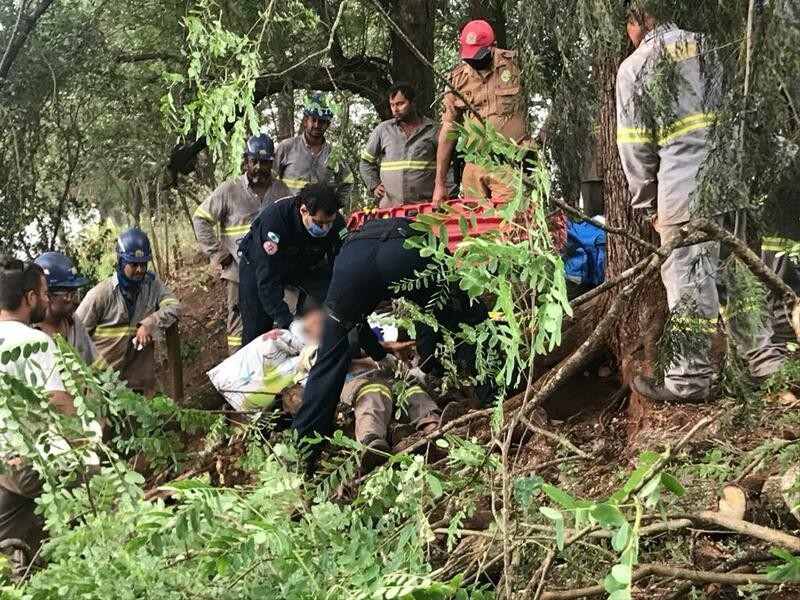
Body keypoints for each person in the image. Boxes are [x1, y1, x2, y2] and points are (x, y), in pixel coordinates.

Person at [616, 2, 788, 403]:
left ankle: (688, 382)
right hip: (730, 185)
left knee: (689, 288)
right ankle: (768, 366)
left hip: (682, 190)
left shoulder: (635, 67)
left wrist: (648, 204)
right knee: (740, 283)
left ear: (640, 19)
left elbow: (634, 147)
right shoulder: (710, 46)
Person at [291, 217, 493, 442]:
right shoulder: (413, 231)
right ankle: (492, 398)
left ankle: (306, 443)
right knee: (464, 313)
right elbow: (431, 313)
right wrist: (423, 364)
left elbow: (355, 321)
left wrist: (380, 354)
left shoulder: (348, 251)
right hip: (407, 251)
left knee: (330, 357)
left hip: (357, 267)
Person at [0, 256, 75, 555]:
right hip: (31, 462)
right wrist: (88, 447)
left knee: (10, 523)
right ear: (29, 298)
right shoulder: (36, 341)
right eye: (44, 294)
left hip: (5, 462)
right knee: (102, 484)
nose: (47, 299)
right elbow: (60, 405)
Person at [193, 134, 291, 353]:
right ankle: (236, 376)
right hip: (237, 272)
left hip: (272, 272)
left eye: (264, 163)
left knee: (273, 320)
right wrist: (218, 253)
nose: (259, 167)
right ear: (246, 161)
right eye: (254, 161)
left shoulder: (281, 191)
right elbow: (200, 218)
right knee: (238, 324)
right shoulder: (229, 190)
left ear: (271, 163)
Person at [237, 183, 347, 345]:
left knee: (332, 299)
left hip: (303, 263)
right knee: (257, 325)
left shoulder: (336, 224)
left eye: (329, 223)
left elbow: (340, 266)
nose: (325, 228)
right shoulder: (275, 222)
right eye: (319, 223)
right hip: (259, 265)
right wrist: (287, 321)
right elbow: (267, 279)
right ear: (303, 210)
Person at [76, 228, 182, 396]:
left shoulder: (153, 286)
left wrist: (150, 323)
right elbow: (76, 335)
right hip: (101, 385)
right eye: (133, 264)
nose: (140, 270)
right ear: (121, 262)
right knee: (101, 423)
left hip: (136, 385)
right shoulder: (101, 295)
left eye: (143, 264)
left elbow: (174, 306)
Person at [432, 19, 527, 206]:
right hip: (474, 165)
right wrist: (439, 183)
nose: (474, 61)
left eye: (479, 55)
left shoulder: (517, 66)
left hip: (508, 163)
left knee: (510, 227)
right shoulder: (457, 80)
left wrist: (538, 142)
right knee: (476, 228)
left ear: (494, 47)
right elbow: (449, 129)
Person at [360, 83, 454, 208]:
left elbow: (450, 165)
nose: (395, 109)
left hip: (426, 208)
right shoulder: (383, 130)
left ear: (413, 102)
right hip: (390, 209)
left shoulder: (435, 130)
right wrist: (373, 185)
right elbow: (366, 161)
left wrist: (447, 193)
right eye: (392, 105)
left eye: (400, 104)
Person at [273, 95, 354, 203]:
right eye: (313, 120)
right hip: (289, 213)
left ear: (328, 125)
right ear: (306, 121)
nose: (316, 125)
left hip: (318, 216)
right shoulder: (286, 147)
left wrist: (335, 205)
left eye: (321, 122)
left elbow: (347, 182)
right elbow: (269, 178)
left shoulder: (333, 154)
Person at [32, 252, 101, 367]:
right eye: (70, 295)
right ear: (48, 296)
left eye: (76, 294)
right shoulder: (30, 332)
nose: (77, 302)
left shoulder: (74, 323)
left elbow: (96, 366)